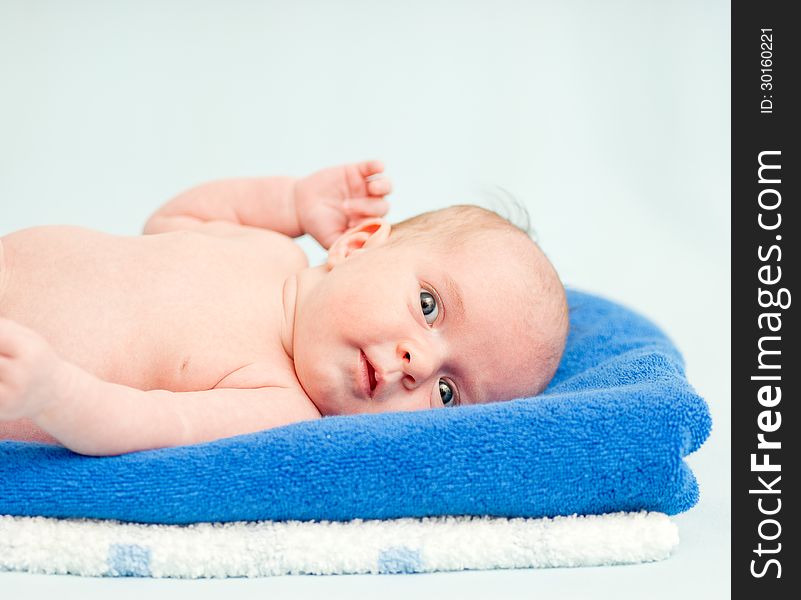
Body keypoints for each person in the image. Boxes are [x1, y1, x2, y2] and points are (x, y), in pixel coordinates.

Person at [0, 161, 568, 456]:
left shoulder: (278, 405)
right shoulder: (272, 248)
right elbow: (173, 221)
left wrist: (55, 393)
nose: (419, 363)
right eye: (429, 305)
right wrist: (291, 201)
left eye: (447, 394)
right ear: (357, 243)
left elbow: (148, 424)